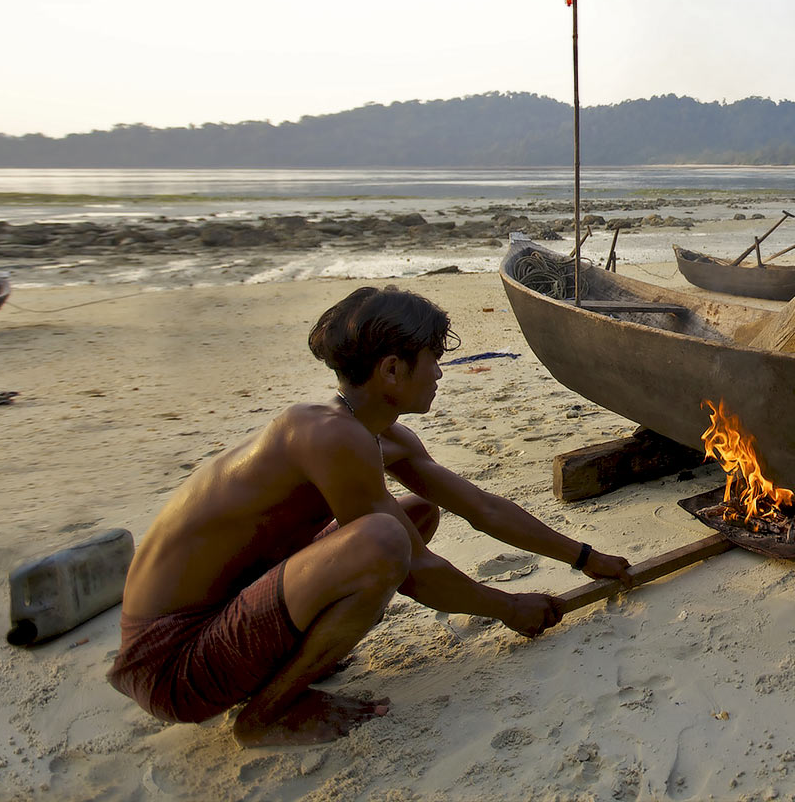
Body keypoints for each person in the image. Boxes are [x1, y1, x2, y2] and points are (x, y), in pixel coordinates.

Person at [108, 286, 632, 747]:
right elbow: (416, 571)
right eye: (433, 359)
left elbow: (482, 507)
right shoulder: (328, 435)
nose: (440, 372)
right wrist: (508, 607)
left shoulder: (378, 434)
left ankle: (293, 661)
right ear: (391, 369)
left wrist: (584, 557)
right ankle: (265, 716)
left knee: (415, 514)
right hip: (172, 664)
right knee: (383, 540)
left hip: (221, 621)